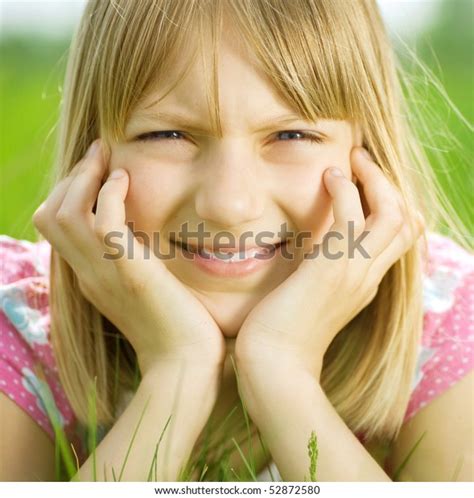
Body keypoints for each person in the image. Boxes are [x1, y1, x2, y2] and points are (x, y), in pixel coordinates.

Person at [0, 0, 472, 482]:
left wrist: (282, 370)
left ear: (367, 159)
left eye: (290, 134)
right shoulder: (18, 327)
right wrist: (176, 372)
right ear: (92, 157)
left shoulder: (445, 324)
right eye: (168, 134)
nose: (229, 205)